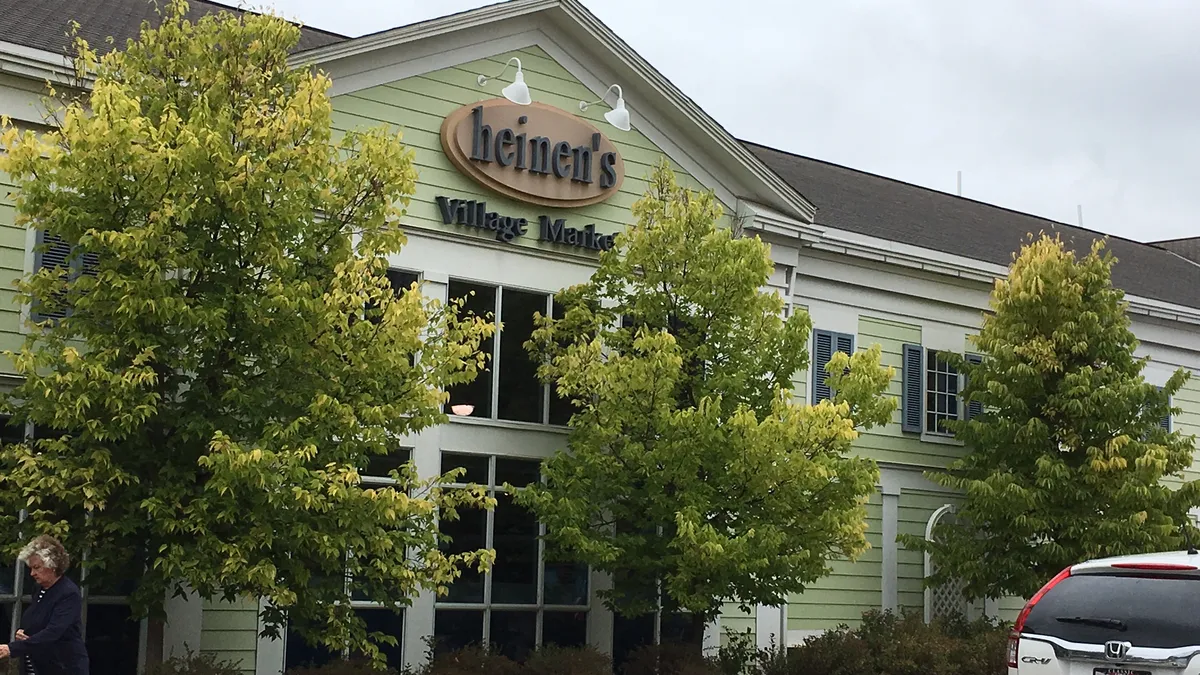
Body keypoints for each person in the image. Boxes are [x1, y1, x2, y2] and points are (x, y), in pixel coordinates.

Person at [0, 534, 89, 675]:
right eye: (31, 568)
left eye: (36, 568)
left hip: (62, 666)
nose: (32, 573)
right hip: (37, 665)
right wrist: (24, 633)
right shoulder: (40, 589)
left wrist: (13, 648)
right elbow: (38, 621)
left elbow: (54, 631)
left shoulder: (68, 593)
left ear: (52, 565)